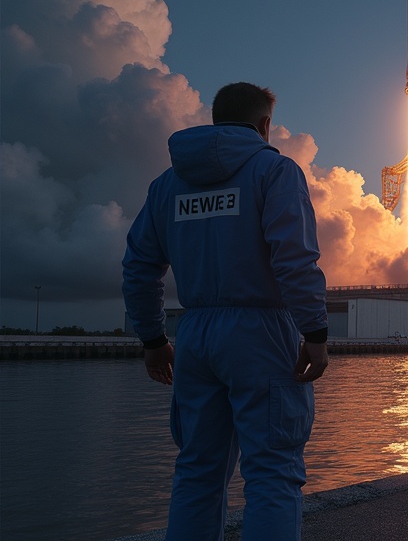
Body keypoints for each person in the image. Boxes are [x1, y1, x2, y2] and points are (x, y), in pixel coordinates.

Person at [122, 82, 330, 541]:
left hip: (194, 334)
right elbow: (293, 258)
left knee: (198, 470)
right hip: (262, 333)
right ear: (264, 125)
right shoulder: (274, 171)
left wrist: (154, 340)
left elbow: (138, 266)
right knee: (272, 471)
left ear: (217, 119)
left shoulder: (167, 185)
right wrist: (313, 329)